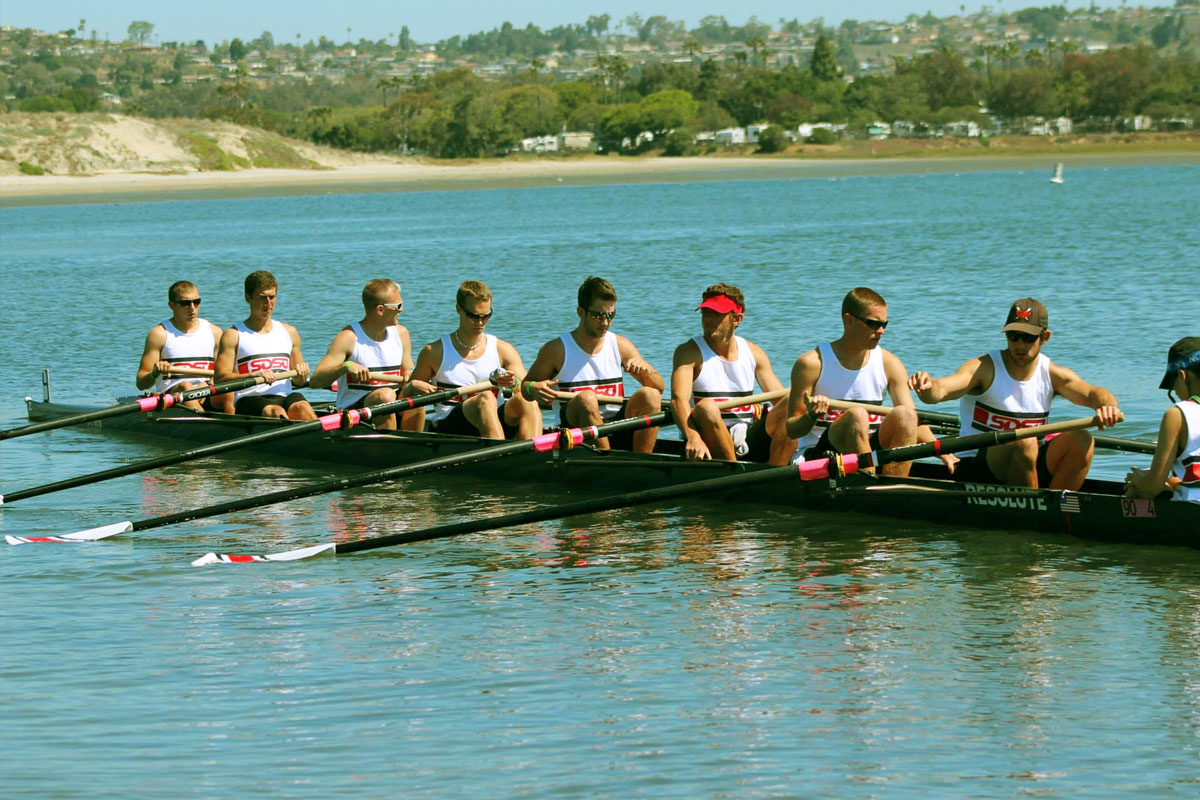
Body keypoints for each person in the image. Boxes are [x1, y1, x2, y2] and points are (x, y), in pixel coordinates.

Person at [908, 297, 1122, 490]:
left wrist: (1107, 406)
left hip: (1028, 459)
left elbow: (1094, 393)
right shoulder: (984, 368)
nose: (1019, 345)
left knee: (1082, 440)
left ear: (1044, 337)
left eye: (1028, 338)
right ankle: (1036, 511)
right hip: (976, 465)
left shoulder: (1053, 374)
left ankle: (1055, 507)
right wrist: (927, 387)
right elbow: (941, 391)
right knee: (1025, 441)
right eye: (1013, 336)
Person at [786, 287, 936, 478]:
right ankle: (869, 484)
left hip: (868, 452)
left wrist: (945, 454)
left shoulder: (890, 363)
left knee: (906, 415)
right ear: (848, 320)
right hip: (820, 455)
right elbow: (791, 430)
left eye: (884, 324)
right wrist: (810, 415)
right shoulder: (811, 363)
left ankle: (892, 487)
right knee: (856, 416)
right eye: (873, 324)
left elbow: (914, 423)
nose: (881, 331)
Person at [521, 277, 664, 453]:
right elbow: (525, 388)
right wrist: (533, 388)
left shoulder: (621, 345)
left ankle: (643, 463)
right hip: (575, 430)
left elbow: (659, 388)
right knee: (586, 399)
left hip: (616, 426)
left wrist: (644, 375)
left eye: (610, 315)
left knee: (650, 395)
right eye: (598, 316)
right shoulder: (556, 349)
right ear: (581, 312)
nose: (605, 323)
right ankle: (607, 461)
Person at [671, 283, 793, 463]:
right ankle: (734, 471)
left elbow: (779, 399)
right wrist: (692, 436)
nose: (709, 319)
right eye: (705, 313)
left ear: (737, 319)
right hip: (708, 440)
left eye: (717, 314)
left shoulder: (754, 352)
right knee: (706, 407)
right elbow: (678, 400)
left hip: (745, 436)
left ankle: (777, 471)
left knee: (793, 398)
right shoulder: (688, 352)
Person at [406, 280, 540, 439]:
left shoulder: (503, 350)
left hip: (495, 418)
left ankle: (535, 453)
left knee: (527, 401)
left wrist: (514, 384)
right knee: (485, 398)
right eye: (473, 316)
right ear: (459, 309)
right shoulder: (434, 352)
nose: (480, 322)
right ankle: (500, 455)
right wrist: (413, 384)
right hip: (451, 427)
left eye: (486, 316)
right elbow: (406, 395)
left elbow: (527, 389)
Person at [309, 279, 415, 431]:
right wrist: (345, 367)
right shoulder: (348, 337)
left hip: (392, 405)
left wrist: (411, 375)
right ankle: (392, 447)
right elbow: (315, 381)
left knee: (416, 389)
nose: (401, 310)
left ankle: (416, 444)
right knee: (385, 395)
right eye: (398, 306)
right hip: (355, 414)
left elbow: (409, 370)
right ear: (380, 310)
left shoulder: (402, 334)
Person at [214, 270, 315, 421]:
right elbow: (220, 379)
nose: (268, 303)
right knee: (275, 411)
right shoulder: (234, 335)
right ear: (248, 298)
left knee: (303, 408)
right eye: (262, 298)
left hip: (285, 396)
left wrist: (301, 374)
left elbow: (299, 382)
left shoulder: (289, 332)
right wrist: (253, 375)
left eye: (272, 297)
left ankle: (324, 439)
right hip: (250, 399)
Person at [1124, 337, 1200, 503]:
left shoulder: (1178, 414)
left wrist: (1137, 478)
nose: (1175, 391)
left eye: (1173, 384)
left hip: (1191, 513)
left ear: (1182, 375)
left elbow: (1152, 487)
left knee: (1136, 491)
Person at [136, 280, 230, 413]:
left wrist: (209, 383)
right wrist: (154, 373)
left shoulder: (215, 332)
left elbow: (223, 373)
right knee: (186, 386)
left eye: (196, 302)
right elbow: (141, 383)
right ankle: (210, 424)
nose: (192, 308)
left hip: (206, 392)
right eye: (185, 303)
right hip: (173, 398)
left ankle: (237, 423)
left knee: (228, 392)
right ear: (172, 305)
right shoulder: (159, 334)